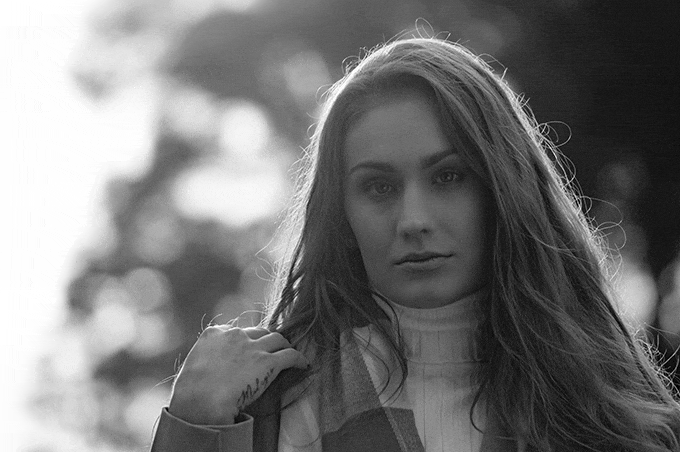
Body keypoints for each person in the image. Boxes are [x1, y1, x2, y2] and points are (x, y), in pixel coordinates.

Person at [150, 36, 680, 452]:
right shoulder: (264, 407)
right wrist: (191, 426)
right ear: (341, 214)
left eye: (449, 176)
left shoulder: (627, 421)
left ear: (505, 189)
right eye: (379, 187)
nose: (414, 221)